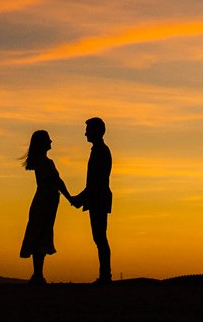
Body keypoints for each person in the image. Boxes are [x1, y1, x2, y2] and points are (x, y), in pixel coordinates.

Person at [19, 129, 74, 283]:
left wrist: (70, 198)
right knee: (40, 234)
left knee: (40, 234)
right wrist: (71, 198)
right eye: (48, 139)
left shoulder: (42, 162)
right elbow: (57, 181)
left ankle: (38, 274)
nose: (51, 142)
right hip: (44, 202)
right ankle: (37, 275)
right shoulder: (45, 163)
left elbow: (57, 182)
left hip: (46, 201)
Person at [70, 117, 113, 282]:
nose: (85, 133)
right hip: (97, 198)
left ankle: (105, 275)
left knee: (100, 237)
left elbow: (96, 182)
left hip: (99, 199)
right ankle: (105, 274)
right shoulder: (99, 150)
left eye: (88, 130)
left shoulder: (100, 151)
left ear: (96, 131)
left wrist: (79, 199)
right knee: (99, 237)